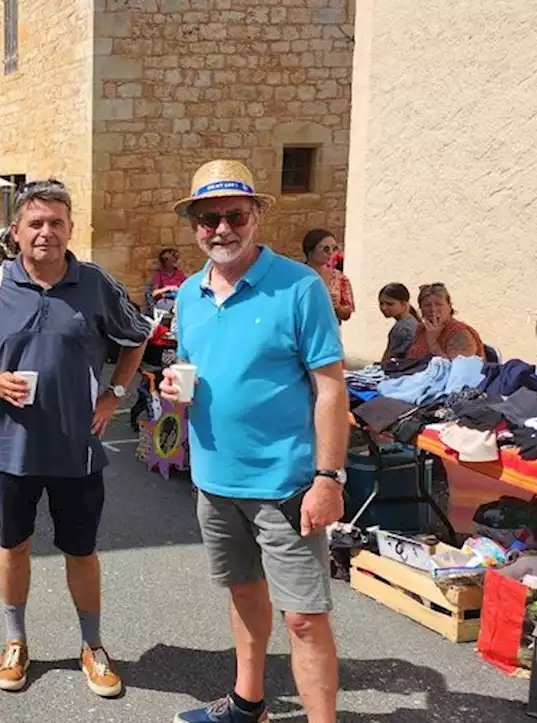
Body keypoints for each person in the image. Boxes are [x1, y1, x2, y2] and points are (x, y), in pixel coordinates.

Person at [161, 160, 347, 723]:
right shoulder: (190, 294)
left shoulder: (299, 286)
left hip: (287, 485)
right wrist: (175, 388)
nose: (221, 229)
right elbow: (196, 369)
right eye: (208, 217)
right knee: (243, 593)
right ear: (194, 223)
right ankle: (248, 704)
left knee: (304, 617)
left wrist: (328, 478)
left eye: (234, 215)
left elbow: (331, 388)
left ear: (257, 215)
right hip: (214, 481)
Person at [0, 180, 152, 699]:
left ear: (69, 228)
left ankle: (92, 645)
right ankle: (15, 640)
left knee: (81, 551)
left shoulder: (94, 283)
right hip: (11, 446)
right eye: (35, 224)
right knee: (13, 545)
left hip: (78, 447)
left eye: (56, 223)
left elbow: (136, 338)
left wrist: (114, 394)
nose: (46, 232)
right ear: (16, 232)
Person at [405, 282, 486, 360]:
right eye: (427, 305)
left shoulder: (460, 332)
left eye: (438, 304)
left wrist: (433, 342)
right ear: (421, 309)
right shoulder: (421, 329)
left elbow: (458, 370)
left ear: (449, 306)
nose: (433, 309)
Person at [303, 229, 354, 323]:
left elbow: (347, 314)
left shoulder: (339, 278)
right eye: (325, 249)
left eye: (334, 248)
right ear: (310, 250)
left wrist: (337, 306)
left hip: (328, 331)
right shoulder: (297, 275)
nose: (331, 252)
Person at [378, 282, 420, 361]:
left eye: (390, 304)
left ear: (404, 304)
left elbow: (389, 359)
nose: (383, 308)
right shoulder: (410, 322)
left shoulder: (403, 328)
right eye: (381, 303)